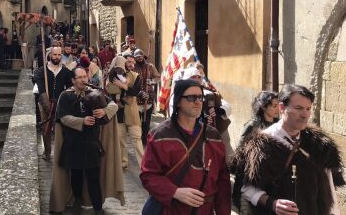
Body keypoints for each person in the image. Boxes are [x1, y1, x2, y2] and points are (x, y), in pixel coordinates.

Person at [231, 84, 345, 215]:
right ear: (281, 108)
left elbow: (329, 188)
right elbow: (246, 188)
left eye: (308, 109)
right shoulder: (261, 145)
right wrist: (272, 203)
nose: (305, 114)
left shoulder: (319, 144)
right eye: (298, 108)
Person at [140, 79, 231, 214]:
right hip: (172, 210)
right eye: (191, 97)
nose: (197, 102)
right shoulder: (160, 135)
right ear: (177, 102)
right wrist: (174, 192)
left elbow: (223, 181)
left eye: (200, 97)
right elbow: (148, 175)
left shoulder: (213, 136)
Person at [49, 67, 125, 214]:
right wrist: (82, 121)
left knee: (93, 178)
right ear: (73, 80)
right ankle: (77, 201)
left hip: (91, 143)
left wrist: (104, 111)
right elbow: (63, 118)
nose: (84, 79)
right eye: (80, 77)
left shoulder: (95, 93)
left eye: (85, 76)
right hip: (73, 143)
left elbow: (113, 105)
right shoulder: (66, 96)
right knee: (76, 177)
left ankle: (97, 208)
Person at [232, 91, 279, 213]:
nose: (277, 109)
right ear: (264, 106)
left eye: (278, 105)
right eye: (274, 106)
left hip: (270, 179)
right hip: (250, 178)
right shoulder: (252, 126)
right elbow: (240, 155)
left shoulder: (278, 126)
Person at [33, 47, 73, 161]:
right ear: (50, 55)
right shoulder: (43, 71)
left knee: (61, 129)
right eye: (55, 54)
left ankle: (61, 152)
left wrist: (65, 99)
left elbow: (70, 86)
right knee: (46, 129)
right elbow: (40, 86)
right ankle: (47, 152)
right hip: (46, 102)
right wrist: (45, 101)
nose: (57, 57)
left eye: (59, 55)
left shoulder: (65, 71)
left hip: (60, 103)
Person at [106, 54, 144, 170]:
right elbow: (110, 90)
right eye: (129, 62)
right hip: (118, 113)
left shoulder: (136, 76)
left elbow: (135, 91)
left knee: (137, 140)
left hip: (132, 113)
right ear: (123, 63)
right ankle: (123, 163)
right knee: (121, 141)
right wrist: (120, 86)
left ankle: (144, 165)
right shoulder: (113, 75)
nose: (131, 65)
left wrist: (123, 86)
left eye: (133, 62)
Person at [133, 48, 161, 145]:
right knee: (136, 122)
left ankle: (145, 140)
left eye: (140, 56)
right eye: (137, 57)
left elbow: (158, 77)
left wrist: (152, 81)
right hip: (136, 98)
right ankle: (138, 140)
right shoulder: (132, 67)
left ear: (143, 56)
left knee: (146, 122)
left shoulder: (150, 66)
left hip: (148, 98)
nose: (139, 58)